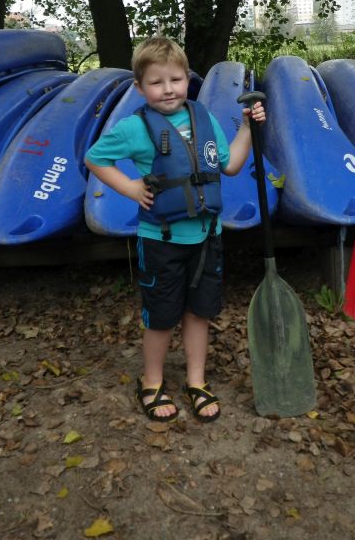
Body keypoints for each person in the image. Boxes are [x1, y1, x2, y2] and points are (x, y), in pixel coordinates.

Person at [85, 36, 265, 424]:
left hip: (207, 237)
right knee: (162, 317)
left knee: (199, 313)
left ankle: (196, 381)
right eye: (156, 82)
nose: (168, 89)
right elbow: (95, 158)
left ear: (187, 80)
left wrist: (249, 129)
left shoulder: (204, 119)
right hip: (162, 241)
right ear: (139, 87)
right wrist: (131, 188)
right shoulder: (134, 128)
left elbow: (231, 165)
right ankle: (151, 382)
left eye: (176, 80)